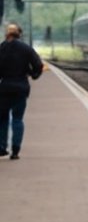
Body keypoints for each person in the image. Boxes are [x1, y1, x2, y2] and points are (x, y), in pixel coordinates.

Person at [0, 22, 46, 159]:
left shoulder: (1, 48)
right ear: (19, 34)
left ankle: (2, 147)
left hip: (4, 88)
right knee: (17, 119)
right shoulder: (26, 49)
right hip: (21, 88)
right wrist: (33, 75)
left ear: (7, 34)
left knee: (2, 119)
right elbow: (39, 65)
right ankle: (15, 151)